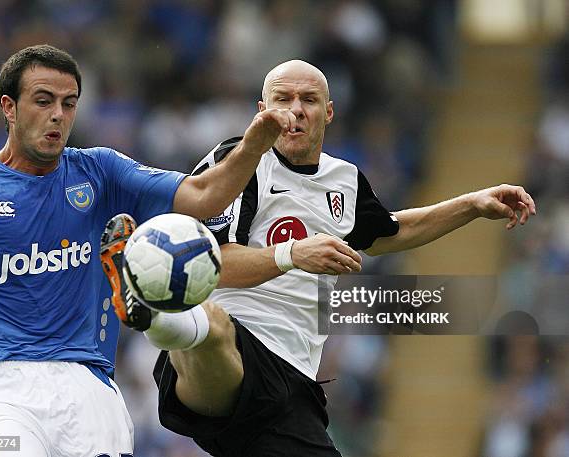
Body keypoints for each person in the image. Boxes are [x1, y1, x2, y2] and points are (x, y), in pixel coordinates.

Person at [104, 60, 537, 456]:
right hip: (231, 355)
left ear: (328, 112)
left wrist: (473, 204)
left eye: (309, 100)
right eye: (283, 100)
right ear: (261, 109)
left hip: (290, 383)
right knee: (212, 326)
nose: (295, 111)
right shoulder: (240, 162)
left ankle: (156, 310)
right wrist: (292, 254)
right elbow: (210, 262)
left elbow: (392, 232)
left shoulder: (344, 181)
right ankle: (154, 311)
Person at [0, 44, 298, 457]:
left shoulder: (99, 171)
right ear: (8, 108)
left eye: (69, 104)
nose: (58, 116)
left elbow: (204, 196)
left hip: (89, 385)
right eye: (43, 101)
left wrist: (254, 146)